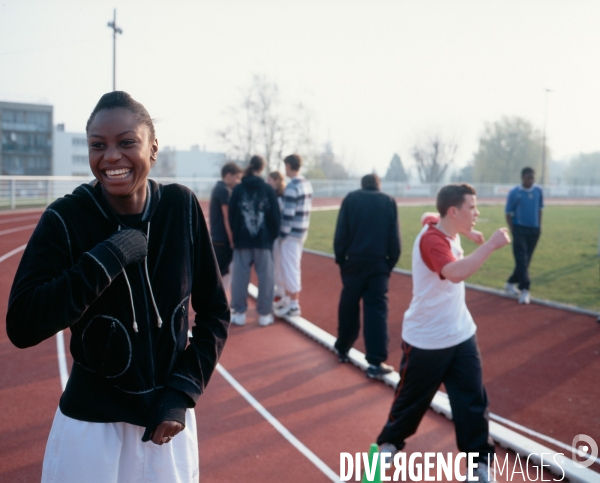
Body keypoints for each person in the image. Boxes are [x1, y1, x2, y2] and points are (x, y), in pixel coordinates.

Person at [6, 91, 229, 483]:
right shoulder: (66, 217)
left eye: (127, 142)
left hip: (167, 428)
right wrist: (105, 259)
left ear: (153, 147)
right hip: (90, 429)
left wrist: (183, 391)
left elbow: (215, 313)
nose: (111, 156)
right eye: (98, 145)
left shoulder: (181, 207)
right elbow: (22, 324)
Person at [375, 183, 511, 483]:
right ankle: (387, 446)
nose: (477, 213)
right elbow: (454, 273)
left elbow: (430, 215)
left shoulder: (441, 225)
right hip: (426, 339)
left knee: (473, 402)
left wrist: (467, 233)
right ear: (453, 211)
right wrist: (488, 245)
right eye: (472, 208)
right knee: (410, 403)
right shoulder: (432, 242)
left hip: (461, 334)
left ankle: (478, 466)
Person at [333, 174, 401, 380]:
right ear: (378, 185)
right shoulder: (389, 201)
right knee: (376, 311)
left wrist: (341, 258)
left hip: (353, 261)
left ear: (363, 185)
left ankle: (343, 348)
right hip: (378, 264)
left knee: (349, 304)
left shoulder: (351, 199)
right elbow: (394, 236)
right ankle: (375, 362)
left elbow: (341, 231)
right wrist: (389, 263)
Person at [228, 155, 280, 327]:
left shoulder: (238, 189)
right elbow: (275, 217)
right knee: (266, 278)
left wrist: (236, 235)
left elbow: (232, 216)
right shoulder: (268, 189)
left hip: (242, 240)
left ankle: (240, 312)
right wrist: (270, 238)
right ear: (262, 168)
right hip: (263, 241)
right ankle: (265, 314)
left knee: (240, 277)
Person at [273, 154, 313, 318]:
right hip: (301, 232)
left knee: (290, 269)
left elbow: (288, 214)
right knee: (291, 267)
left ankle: (294, 305)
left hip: (290, 235)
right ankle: (289, 300)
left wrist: (282, 235)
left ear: (289, 165)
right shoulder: (306, 184)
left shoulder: (292, 187)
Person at [504, 166, 543, 305]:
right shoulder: (515, 192)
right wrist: (513, 230)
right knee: (521, 258)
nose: (530, 180)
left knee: (526, 261)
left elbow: (540, 209)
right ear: (522, 178)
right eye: (528, 178)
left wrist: (539, 226)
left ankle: (510, 282)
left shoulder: (538, 191)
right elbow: (508, 212)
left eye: (532, 177)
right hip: (519, 229)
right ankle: (525, 289)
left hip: (534, 230)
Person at [209, 162, 242, 291]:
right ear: (229, 175)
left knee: (221, 273)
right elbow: (226, 217)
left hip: (217, 237)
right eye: (237, 177)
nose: (238, 181)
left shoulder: (218, 187)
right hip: (223, 239)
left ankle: (217, 304)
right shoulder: (224, 190)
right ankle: (219, 305)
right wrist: (232, 240)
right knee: (223, 273)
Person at [267, 171, 286, 306]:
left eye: (270, 180)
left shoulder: (281, 196)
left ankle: (280, 293)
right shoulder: (271, 194)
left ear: (277, 180)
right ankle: (275, 292)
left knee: (279, 264)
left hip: (278, 236)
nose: (268, 182)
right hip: (271, 235)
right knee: (273, 264)